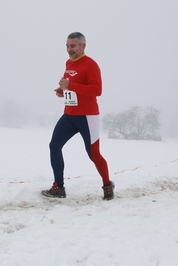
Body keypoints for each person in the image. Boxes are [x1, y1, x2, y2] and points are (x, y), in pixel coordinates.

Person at [41, 32, 115, 200]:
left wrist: (71, 85)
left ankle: (107, 185)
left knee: (93, 155)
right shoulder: (68, 63)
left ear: (83, 46)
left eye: (73, 46)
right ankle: (58, 187)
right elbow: (71, 87)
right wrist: (63, 90)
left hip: (87, 117)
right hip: (69, 115)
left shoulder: (91, 65)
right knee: (54, 146)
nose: (69, 49)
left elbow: (97, 90)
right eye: (67, 46)